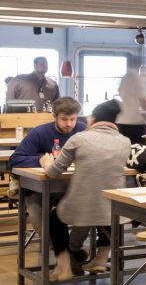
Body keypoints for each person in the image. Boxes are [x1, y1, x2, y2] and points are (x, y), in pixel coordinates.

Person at [43, 100, 131, 280]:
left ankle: (63, 265)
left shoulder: (79, 139)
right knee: (109, 210)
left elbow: (53, 172)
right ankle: (100, 258)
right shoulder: (125, 141)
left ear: (93, 119)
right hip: (113, 206)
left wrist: (46, 163)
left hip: (81, 203)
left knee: (54, 218)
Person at [9, 97, 87, 240]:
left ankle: (74, 246)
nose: (69, 124)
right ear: (54, 116)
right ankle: (54, 246)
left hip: (71, 186)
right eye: (64, 119)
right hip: (39, 188)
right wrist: (39, 160)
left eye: (73, 119)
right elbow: (14, 160)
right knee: (36, 209)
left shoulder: (82, 130)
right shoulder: (39, 132)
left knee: (91, 202)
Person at [116, 57, 146, 145]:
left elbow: (119, 92)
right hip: (134, 121)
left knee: (124, 147)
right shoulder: (136, 77)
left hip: (121, 120)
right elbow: (143, 99)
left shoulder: (125, 77)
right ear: (138, 64)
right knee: (136, 147)